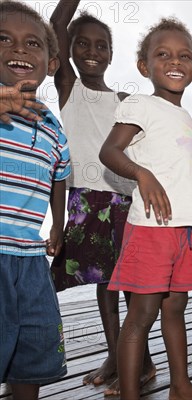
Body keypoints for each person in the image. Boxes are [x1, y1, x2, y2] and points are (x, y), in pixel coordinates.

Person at [99, 17, 192, 400]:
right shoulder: (141, 104)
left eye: (184, 56)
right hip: (152, 229)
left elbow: (182, 171)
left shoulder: (186, 117)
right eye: (163, 55)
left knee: (176, 307)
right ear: (144, 66)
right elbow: (109, 151)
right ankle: (129, 393)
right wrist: (141, 174)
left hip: (184, 232)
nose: (175, 61)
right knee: (141, 315)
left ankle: (180, 385)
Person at [47, 1, 159, 393]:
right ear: (69, 51)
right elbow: (58, 21)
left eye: (101, 46)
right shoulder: (68, 88)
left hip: (126, 204)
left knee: (127, 288)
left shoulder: (126, 101)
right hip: (85, 202)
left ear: (112, 54)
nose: (92, 52)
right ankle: (120, 357)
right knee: (104, 287)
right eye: (82, 45)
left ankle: (136, 362)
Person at [0, 1, 69, 398]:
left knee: (34, 352)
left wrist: (57, 225)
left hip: (30, 260)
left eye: (32, 44)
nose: (19, 49)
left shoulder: (52, 126)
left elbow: (60, 173)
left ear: (52, 64)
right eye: (4, 39)